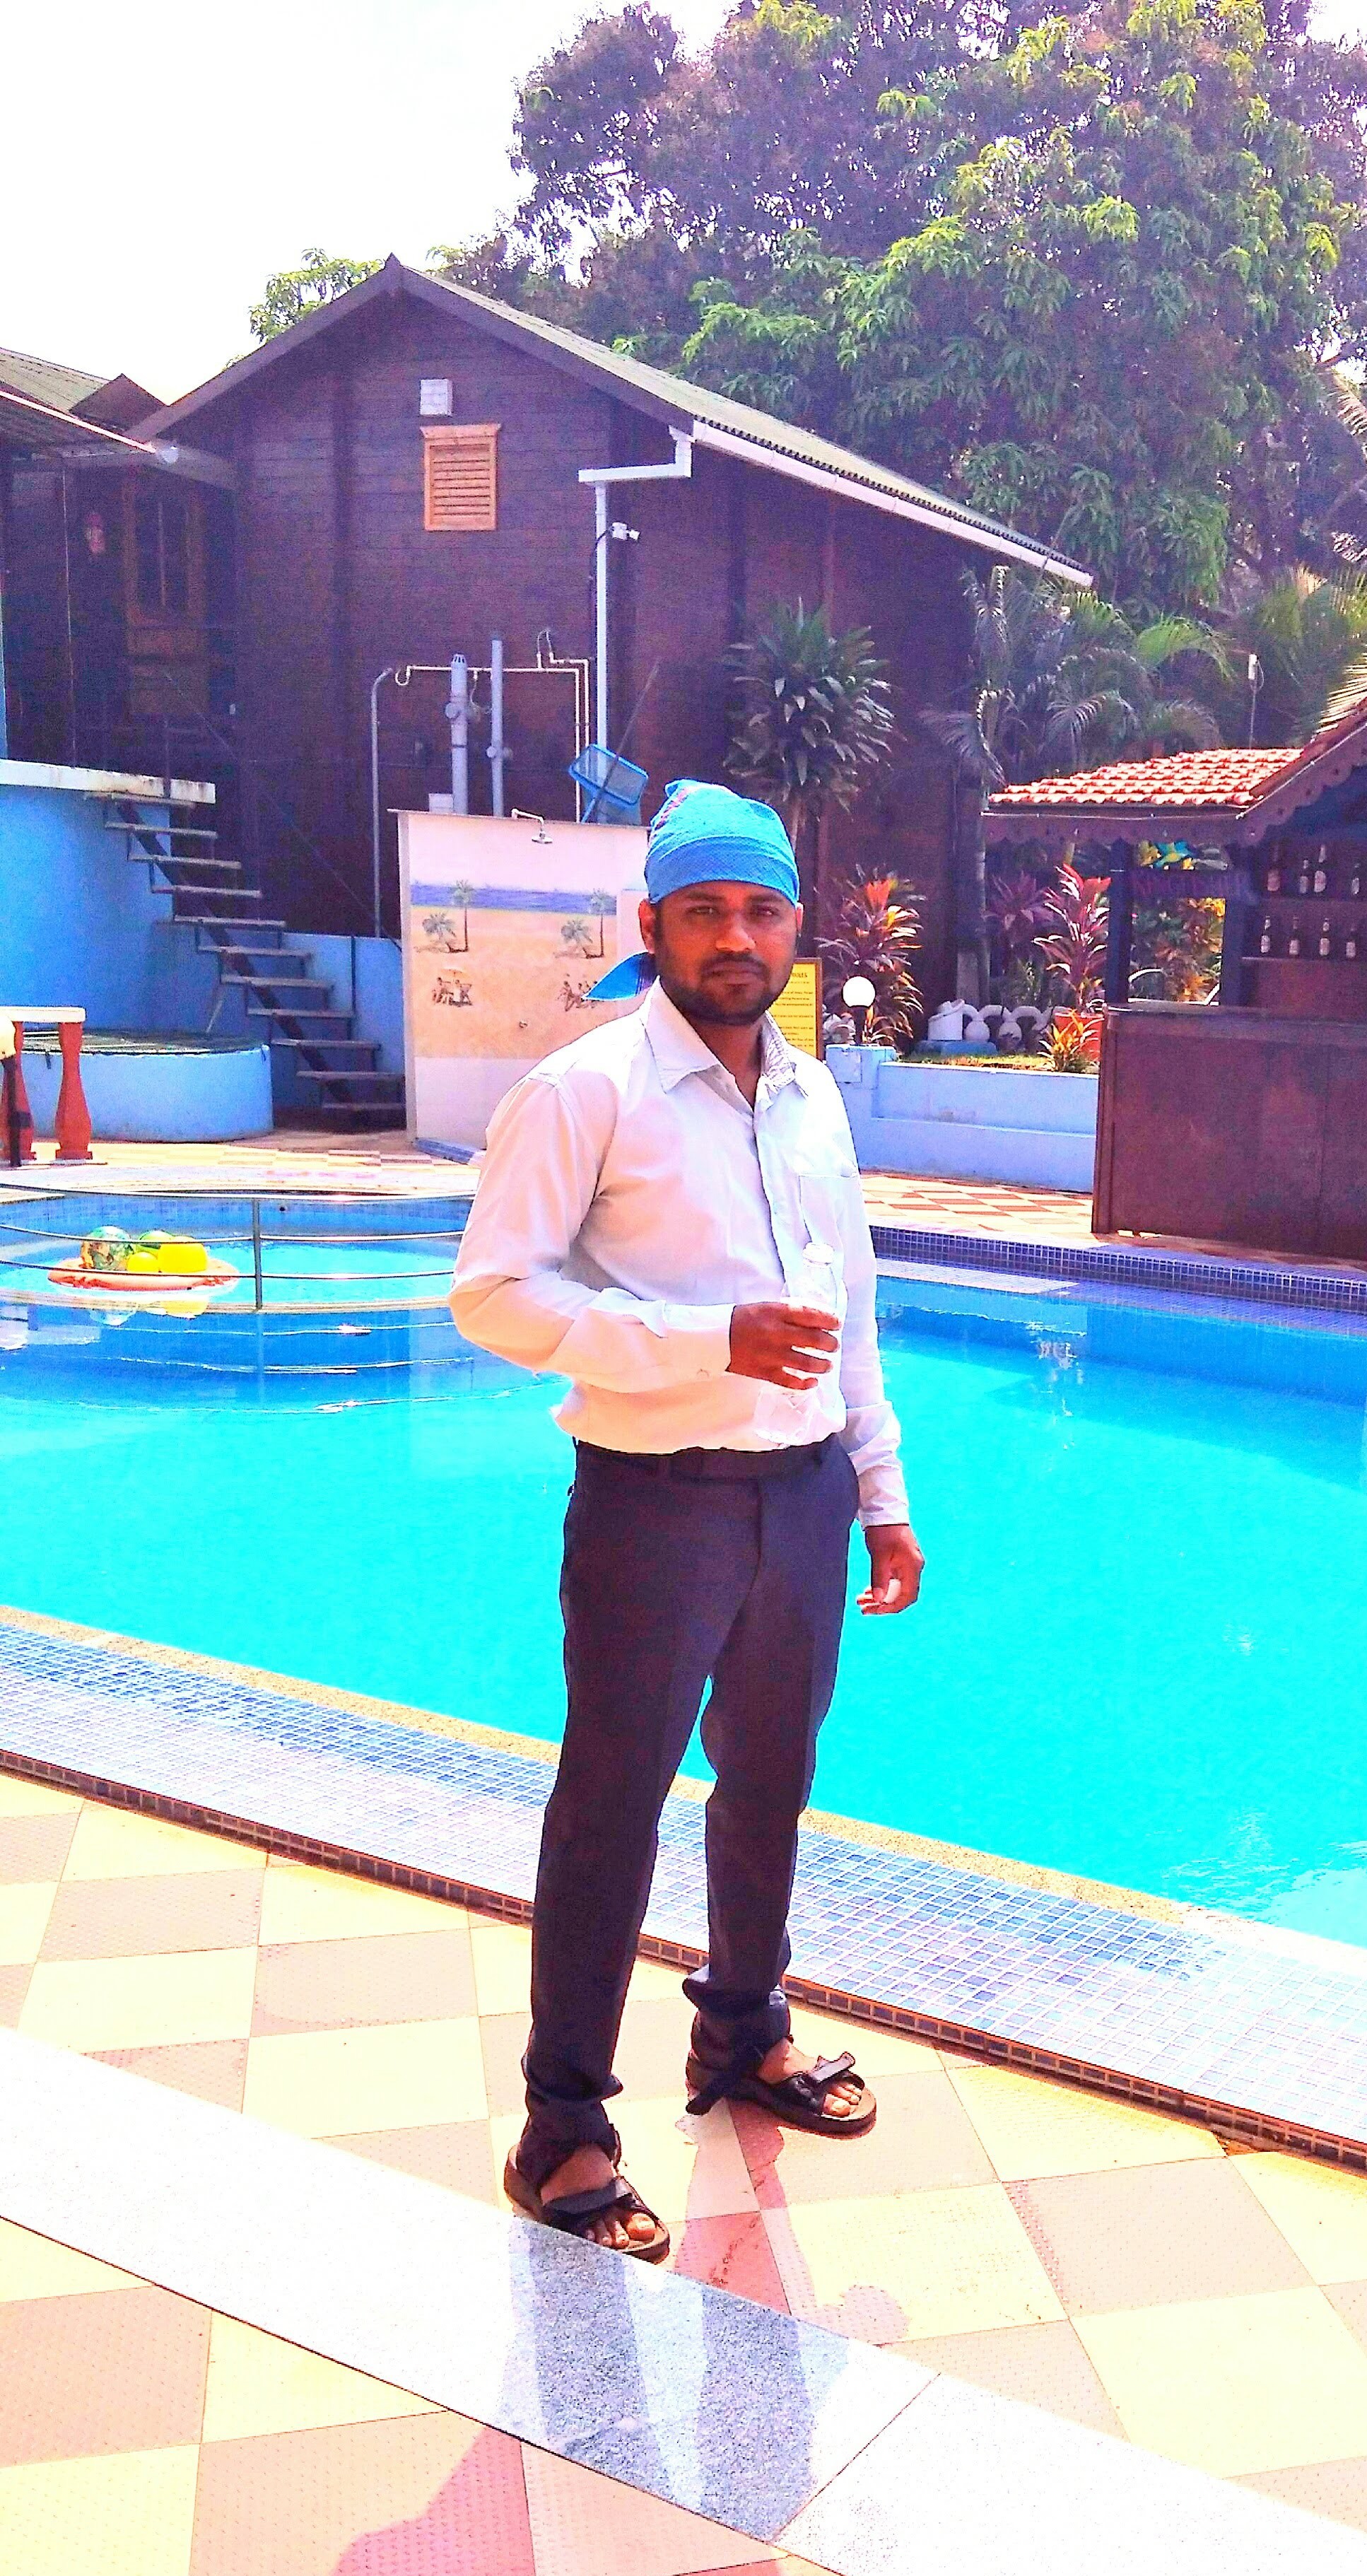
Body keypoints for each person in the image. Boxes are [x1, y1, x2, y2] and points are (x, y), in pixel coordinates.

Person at [450, 780, 923, 2261]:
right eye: (705, 911)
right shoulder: (587, 1090)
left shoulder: (813, 1095)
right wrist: (703, 1342)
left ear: (796, 926)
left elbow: (848, 1319)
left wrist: (880, 1495)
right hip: (655, 1503)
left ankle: (743, 2029)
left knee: (769, 1781)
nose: (736, 937)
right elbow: (492, 1295)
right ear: (650, 924)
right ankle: (563, 2123)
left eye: (761, 910)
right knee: (613, 1803)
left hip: (804, 1496)